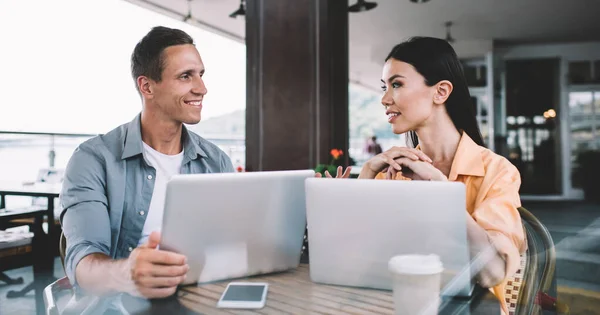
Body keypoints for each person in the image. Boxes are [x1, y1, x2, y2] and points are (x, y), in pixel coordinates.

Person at [339, 37, 524, 314]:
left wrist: (440, 190)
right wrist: (359, 185)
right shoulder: (390, 170)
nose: (384, 99)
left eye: (397, 84)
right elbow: (358, 261)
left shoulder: (497, 171)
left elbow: (492, 273)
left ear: (440, 92)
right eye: (384, 87)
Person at [60, 26, 234, 302]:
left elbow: (233, 244)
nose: (202, 88)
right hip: (118, 307)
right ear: (147, 86)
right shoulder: (93, 160)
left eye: (200, 75)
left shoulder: (216, 161)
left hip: (200, 301)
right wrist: (127, 273)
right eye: (185, 76)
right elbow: (82, 262)